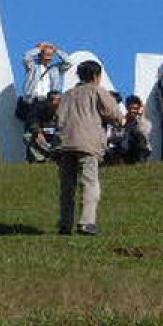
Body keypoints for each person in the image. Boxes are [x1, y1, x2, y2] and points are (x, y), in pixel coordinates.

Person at [56, 60, 122, 236]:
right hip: (88, 144)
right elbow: (114, 114)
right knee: (90, 183)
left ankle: (65, 223)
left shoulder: (68, 94)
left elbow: (59, 117)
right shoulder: (97, 91)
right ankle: (86, 223)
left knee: (67, 187)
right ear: (96, 76)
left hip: (65, 144)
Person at [19, 42, 70, 131]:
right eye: (46, 54)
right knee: (33, 118)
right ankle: (32, 133)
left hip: (49, 99)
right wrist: (40, 48)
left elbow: (68, 62)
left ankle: (48, 136)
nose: (48, 58)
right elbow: (26, 57)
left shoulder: (55, 69)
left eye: (50, 55)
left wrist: (57, 50)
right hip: (34, 98)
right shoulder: (33, 66)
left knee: (50, 121)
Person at [106, 95, 152, 165]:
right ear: (127, 108)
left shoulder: (143, 121)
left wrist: (138, 119)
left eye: (135, 108)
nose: (132, 110)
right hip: (124, 149)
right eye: (130, 108)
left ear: (139, 108)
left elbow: (144, 133)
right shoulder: (122, 120)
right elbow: (115, 136)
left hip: (139, 148)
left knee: (137, 135)